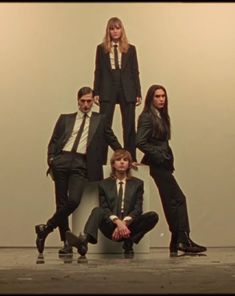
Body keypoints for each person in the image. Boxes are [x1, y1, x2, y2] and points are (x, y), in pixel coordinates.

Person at [35, 86, 122, 256]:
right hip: (62, 160)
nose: (86, 105)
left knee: (73, 200)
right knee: (61, 203)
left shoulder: (100, 119)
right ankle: (66, 243)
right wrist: (52, 159)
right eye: (83, 101)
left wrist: (125, 154)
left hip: (81, 163)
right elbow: (53, 140)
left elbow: (111, 138)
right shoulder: (65, 119)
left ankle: (46, 228)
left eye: (89, 101)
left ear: (93, 102)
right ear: (78, 101)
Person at [136, 84, 207, 256]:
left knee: (172, 202)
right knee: (178, 199)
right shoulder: (147, 117)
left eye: (163, 96)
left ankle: (177, 241)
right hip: (158, 165)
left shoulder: (161, 115)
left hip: (164, 164)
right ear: (150, 99)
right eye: (157, 96)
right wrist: (159, 154)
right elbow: (140, 141)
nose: (161, 99)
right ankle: (182, 239)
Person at [65, 149, 158, 259]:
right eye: (118, 160)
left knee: (153, 216)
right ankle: (84, 241)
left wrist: (125, 223)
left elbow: (138, 209)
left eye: (125, 160)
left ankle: (129, 242)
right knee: (97, 210)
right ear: (113, 164)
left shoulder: (137, 184)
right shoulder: (104, 184)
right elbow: (105, 208)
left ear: (129, 164)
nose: (122, 162)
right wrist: (118, 223)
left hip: (130, 227)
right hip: (111, 226)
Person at [93, 17, 142, 163]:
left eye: (117, 28)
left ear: (122, 30)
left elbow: (135, 71)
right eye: (112, 28)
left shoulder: (131, 49)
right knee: (103, 126)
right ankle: (101, 161)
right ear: (108, 30)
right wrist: (96, 91)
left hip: (127, 88)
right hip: (108, 87)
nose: (115, 31)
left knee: (129, 126)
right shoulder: (101, 49)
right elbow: (98, 71)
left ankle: (131, 159)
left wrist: (138, 92)